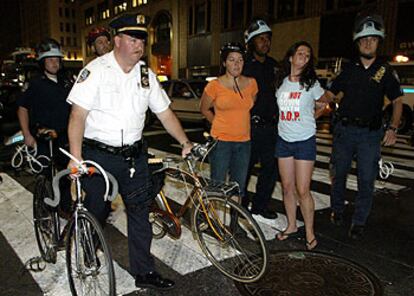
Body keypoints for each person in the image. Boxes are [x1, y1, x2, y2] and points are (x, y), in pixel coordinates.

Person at [66, 13, 192, 290]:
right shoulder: (96, 71)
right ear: (117, 40)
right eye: (133, 39)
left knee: (139, 214)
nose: (139, 46)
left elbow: (165, 113)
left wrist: (185, 141)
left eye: (142, 41)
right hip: (99, 157)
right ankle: (88, 245)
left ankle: (144, 272)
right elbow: (77, 116)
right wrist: (76, 160)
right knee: (97, 209)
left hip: (134, 158)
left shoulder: (146, 75)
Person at [327, 14, 403, 240]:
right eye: (364, 39)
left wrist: (393, 128)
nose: (368, 43)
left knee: (366, 179)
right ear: (357, 42)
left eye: (373, 39)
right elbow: (331, 94)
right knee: (338, 174)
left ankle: (359, 221)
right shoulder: (348, 69)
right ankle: (337, 210)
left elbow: (397, 101)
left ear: (379, 42)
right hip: (344, 132)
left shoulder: (386, 71)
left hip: (370, 134)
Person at [274, 41, 330, 250]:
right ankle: (291, 226)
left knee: (303, 189)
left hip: (305, 139)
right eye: (300, 54)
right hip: (284, 140)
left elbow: (325, 103)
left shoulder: (311, 83)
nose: (304, 58)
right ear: (290, 57)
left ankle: (309, 231)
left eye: (307, 56)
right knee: (287, 187)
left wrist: (312, 116)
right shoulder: (280, 82)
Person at [17, 38, 73, 215]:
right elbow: (22, 108)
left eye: (56, 59)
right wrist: (27, 134)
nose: (54, 63)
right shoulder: (35, 83)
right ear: (42, 62)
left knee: (66, 174)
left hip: (65, 134)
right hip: (44, 135)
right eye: (49, 59)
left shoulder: (67, 81)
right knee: (45, 174)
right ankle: (45, 209)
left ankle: (65, 207)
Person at [200, 42, 257, 204]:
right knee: (217, 185)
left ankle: (234, 224)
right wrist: (218, 123)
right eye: (231, 59)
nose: (236, 64)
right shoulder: (214, 86)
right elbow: (204, 109)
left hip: (244, 142)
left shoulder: (252, 84)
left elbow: (249, 106)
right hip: (221, 142)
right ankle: (211, 221)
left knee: (238, 186)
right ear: (224, 63)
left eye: (240, 60)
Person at [242, 19, 279, 219]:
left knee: (270, 170)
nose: (265, 43)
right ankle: (241, 204)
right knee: (244, 170)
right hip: (250, 127)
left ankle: (260, 206)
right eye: (260, 39)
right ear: (251, 42)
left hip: (271, 128)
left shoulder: (274, 66)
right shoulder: (244, 65)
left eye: (267, 39)